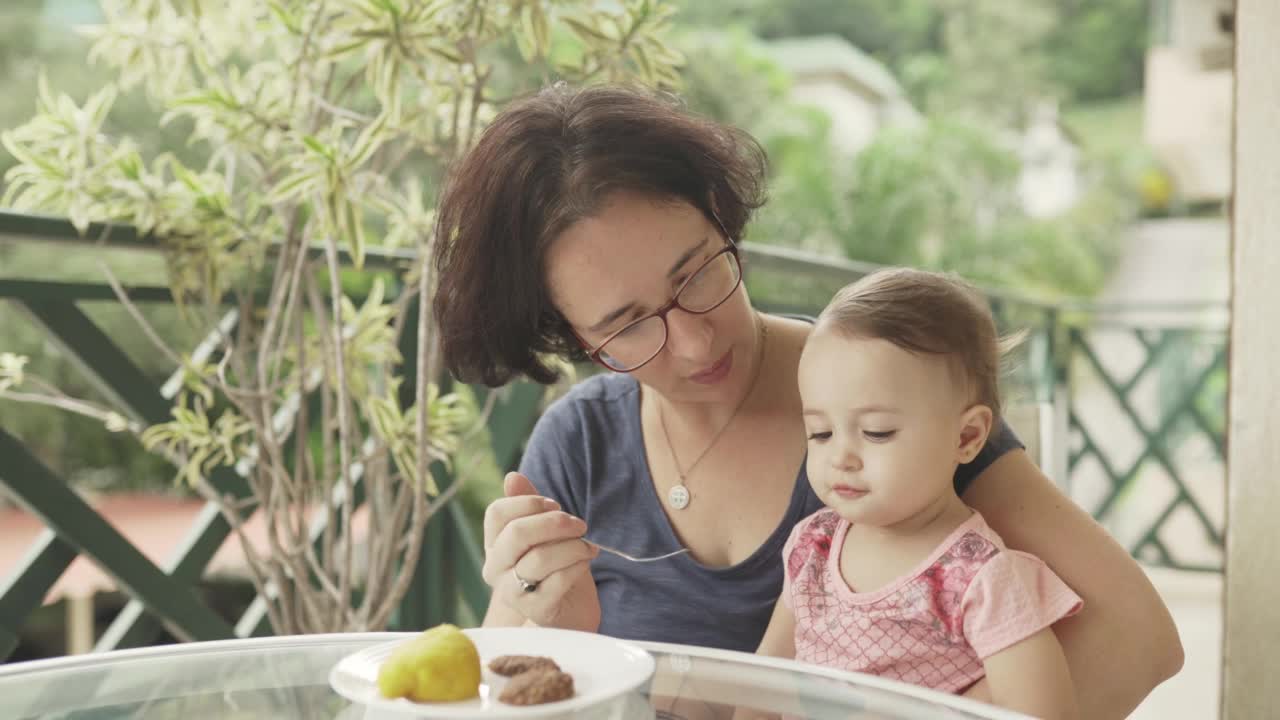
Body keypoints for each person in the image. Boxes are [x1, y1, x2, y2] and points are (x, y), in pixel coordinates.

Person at [430, 83, 1182, 717]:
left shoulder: (887, 397)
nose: (695, 344)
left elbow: (1138, 639)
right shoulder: (579, 444)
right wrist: (566, 636)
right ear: (568, 338)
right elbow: (501, 688)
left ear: (725, 218)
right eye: (627, 326)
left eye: (695, 274)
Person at [755, 268, 1080, 718]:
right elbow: (761, 682)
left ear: (966, 437)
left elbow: (1043, 711)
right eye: (822, 432)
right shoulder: (812, 546)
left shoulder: (976, 577)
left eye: (877, 431)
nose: (841, 457)